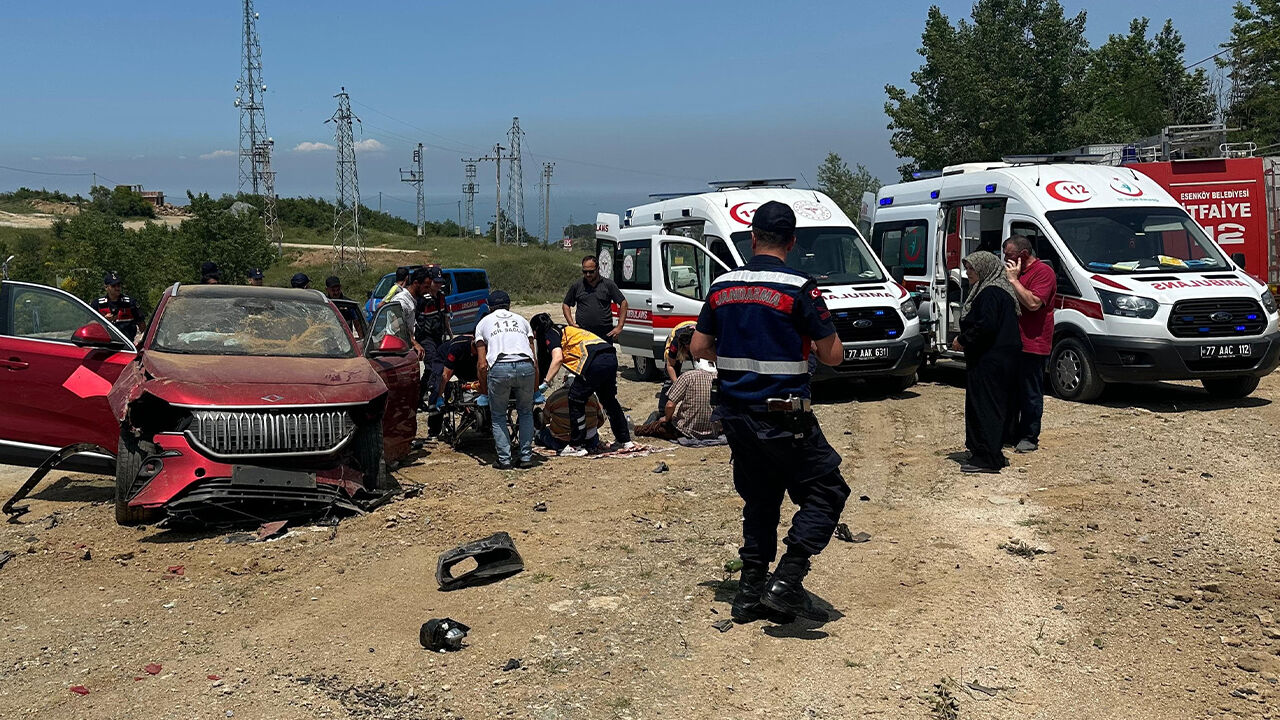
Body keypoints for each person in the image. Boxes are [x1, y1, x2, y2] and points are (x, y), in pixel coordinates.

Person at [690, 200, 848, 624]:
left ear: (752, 238)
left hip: (735, 415)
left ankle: (748, 595)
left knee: (760, 500)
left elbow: (699, 347)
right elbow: (833, 356)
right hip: (784, 416)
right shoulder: (799, 288)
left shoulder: (722, 286)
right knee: (828, 492)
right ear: (792, 242)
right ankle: (787, 580)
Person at [951, 251, 1022, 474]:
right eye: (967, 268)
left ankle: (987, 458)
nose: (968, 273)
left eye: (972, 268)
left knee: (986, 407)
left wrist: (963, 340)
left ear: (985, 268)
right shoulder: (997, 289)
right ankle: (988, 452)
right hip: (999, 360)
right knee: (994, 405)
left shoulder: (991, 292)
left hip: (990, 361)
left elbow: (986, 325)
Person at [530, 312, 632, 457]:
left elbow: (557, 358)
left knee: (575, 398)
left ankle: (576, 445)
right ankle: (625, 440)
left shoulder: (550, 333)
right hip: (609, 356)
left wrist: (545, 383)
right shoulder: (565, 329)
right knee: (608, 400)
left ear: (536, 330)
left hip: (593, 361)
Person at [1002, 235, 1057, 453]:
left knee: (1030, 393)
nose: (1005, 260)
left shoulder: (1043, 272)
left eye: (1009, 256)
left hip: (1033, 342)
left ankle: (1029, 436)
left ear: (1023, 255)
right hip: (1012, 342)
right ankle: (1009, 432)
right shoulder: (1015, 272)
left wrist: (1014, 281)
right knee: (1009, 391)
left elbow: (1033, 303)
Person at [474, 291, 538, 470]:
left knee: (498, 416)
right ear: (509, 306)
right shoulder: (522, 320)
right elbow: (534, 358)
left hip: (500, 367)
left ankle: (505, 460)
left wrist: (484, 390)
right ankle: (526, 457)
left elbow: (482, 364)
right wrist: (536, 388)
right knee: (525, 412)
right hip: (525, 365)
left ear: (489, 307)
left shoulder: (483, 323)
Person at [637, 359, 721, 441]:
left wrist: (666, 418)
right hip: (712, 430)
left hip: (686, 430)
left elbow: (670, 405)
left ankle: (636, 430)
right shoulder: (719, 378)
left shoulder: (688, 377)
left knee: (656, 423)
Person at [562, 256, 628, 342]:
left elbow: (623, 303)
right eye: (585, 272)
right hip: (583, 334)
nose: (588, 274)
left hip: (604, 334)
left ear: (598, 269)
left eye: (591, 272)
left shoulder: (608, 285)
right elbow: (566, 305)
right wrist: (571, 323)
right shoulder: (577, 285)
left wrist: (620, 326)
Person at [537, 385, 605, 453]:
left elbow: (544, 420)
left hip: (562, 441)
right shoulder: (591, 396)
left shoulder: (555, 396)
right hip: (589, 440)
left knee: (542, 433)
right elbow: (601, 419)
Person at [93, 271, 147, 341]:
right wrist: (103, 320)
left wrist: (140, 341)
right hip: (104, 344)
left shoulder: (130, 303)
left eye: (118, 285)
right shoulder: (97, 304)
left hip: (126, 344)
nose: (117, 288)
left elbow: (142, 325)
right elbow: (90, 325)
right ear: (106, 287)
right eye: (113, 286)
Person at [657, 320, 697, 412]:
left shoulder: (702, 339)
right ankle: (662, 410)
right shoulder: (675, 343)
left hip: (696, 340)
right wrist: (678, 385)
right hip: (677, 342)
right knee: (669, 379)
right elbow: (670, 366)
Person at [391, 268, 430, 354]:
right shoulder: (402, 301)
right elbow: (397, 328)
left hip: (406, 346)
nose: (427, 291)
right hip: (395, 349)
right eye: (426, 287)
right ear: (416, 283)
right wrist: (415, 344)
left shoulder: (413, 300)